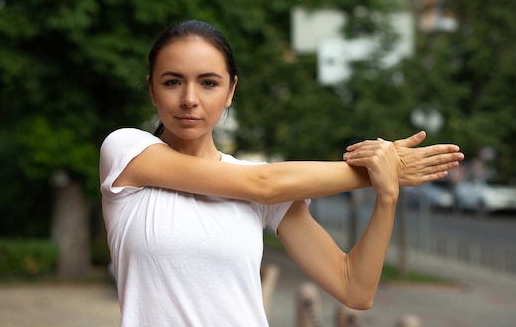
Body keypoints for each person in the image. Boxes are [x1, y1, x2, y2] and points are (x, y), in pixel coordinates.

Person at [99, 20, 463, 327]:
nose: (190, 98)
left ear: (231, 90)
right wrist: (381, 170)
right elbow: (263, 184)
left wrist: (386, 194)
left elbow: (355, 288)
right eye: (172, 81)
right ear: (151, 89)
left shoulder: (263, 191)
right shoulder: (127, 152)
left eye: (209, 82)